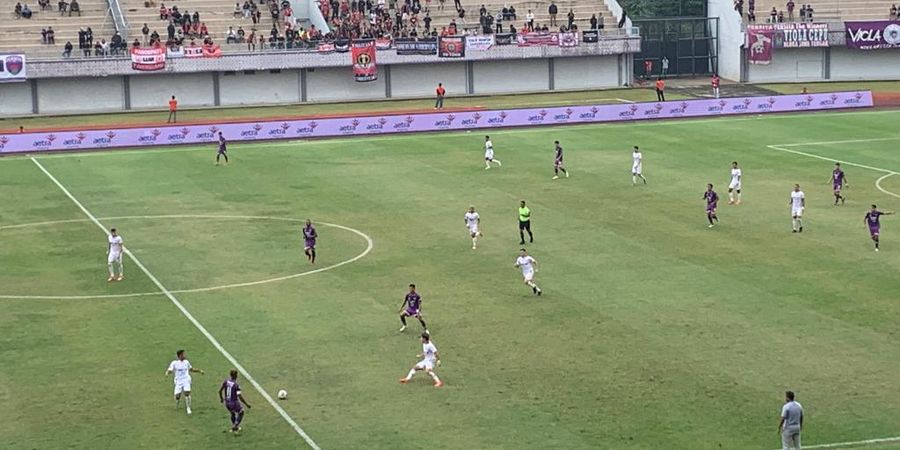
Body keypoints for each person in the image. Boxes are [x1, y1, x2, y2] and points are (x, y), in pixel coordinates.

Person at [165, 349, 205, 415]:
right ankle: (177, 402)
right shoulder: (174, 363)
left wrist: (199, 371)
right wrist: (167, 373)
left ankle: (188, 408)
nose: (184, 355)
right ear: (180, 355)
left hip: (186, 379)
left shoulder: (186, 362)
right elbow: (170, 369)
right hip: (178, 381)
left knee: (187, 393)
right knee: (177, 395)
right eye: (183, 354)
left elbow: (191, 369)